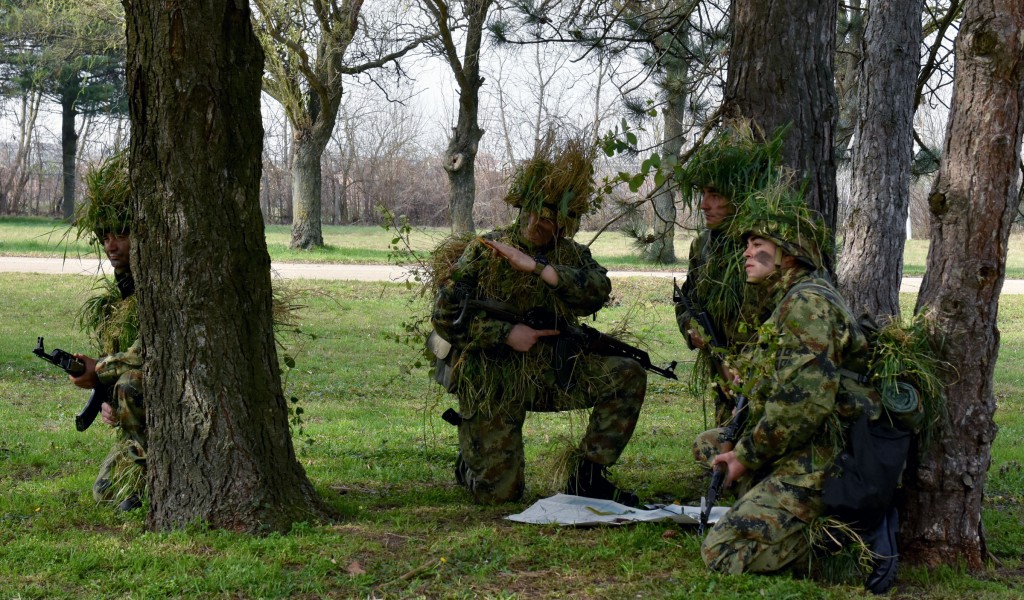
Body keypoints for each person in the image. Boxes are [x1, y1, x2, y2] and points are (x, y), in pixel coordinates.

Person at [431, 135, 647, 506]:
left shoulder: (571, 255)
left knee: (628, 373)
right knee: (500, 495)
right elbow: (445, 318)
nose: (535, 224)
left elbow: (597, 290)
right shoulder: (486, 251)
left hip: (551, 373)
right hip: (494, 378)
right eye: (530, 212)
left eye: (547, 219)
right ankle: (471, 463)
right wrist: (506, 334)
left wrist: (542, 270)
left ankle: (588, 474)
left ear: (564, 222)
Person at [695, 196, 888, 585]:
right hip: (809, 437)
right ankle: (770, 503)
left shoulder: (806, 304)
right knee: (707, 445)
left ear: (787, 255)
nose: (747, 254)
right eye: (748, 246)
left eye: (758, 246)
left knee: (722, 551)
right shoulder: (792, 297)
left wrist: (745, 457)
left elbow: (802, 407)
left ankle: (846, 544)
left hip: (830, 451)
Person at [673, 124, 784, 426]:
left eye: (714, 194)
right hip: (721, 374)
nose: (703, 204)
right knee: (724, 450)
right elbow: (686, 300)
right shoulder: (703, 245)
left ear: (737, 195)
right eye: (702, 193)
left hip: (768, 373)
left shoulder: (764, 245)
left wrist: (748, 363)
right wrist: (690, 329)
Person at [69, 152, 147, 512]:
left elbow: (147, 349)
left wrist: (98, 368)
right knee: (102, 492)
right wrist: (109, 405)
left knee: (130, 380)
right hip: (141, 422)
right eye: (105, 237)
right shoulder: (122, 296)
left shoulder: (160, 282)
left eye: (121, 236)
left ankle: (148, 481)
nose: (110, 246)